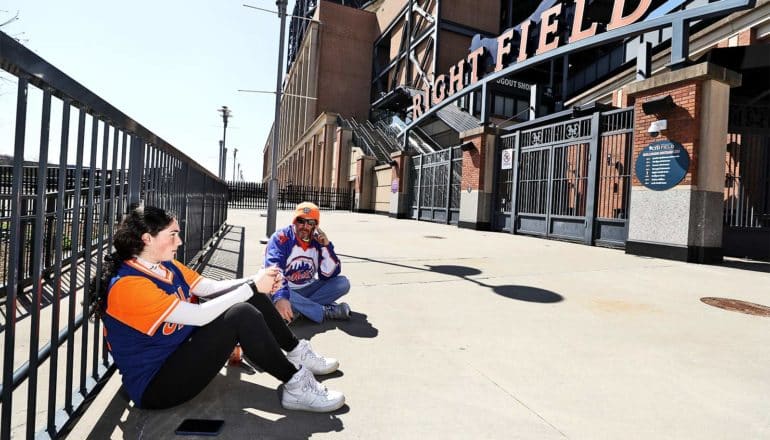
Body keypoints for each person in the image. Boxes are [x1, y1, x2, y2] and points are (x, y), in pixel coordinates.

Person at [89, 204, 344, 412]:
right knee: (241, 312)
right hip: (158, 386)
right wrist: (254, 286)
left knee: (250, 299)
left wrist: (257, 279)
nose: (179, 241)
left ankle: (296, 351)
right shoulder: (128, 286)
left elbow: (209, 287)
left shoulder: (163, 264)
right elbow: (199, 316)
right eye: (172, 235)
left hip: (181, 351)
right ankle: (295, 386)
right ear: (147, 239)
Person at [265, 202, 351, 324]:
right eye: (301, 221)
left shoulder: (318, 242)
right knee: (266, 290)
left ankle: (299, 310)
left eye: (310, 223)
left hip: (308, 288)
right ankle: (323, 310)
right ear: (294, 221)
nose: (305, 226)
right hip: (284, 289)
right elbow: (274, 269)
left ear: (316, 226)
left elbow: (328, 274)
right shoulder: (281, 237)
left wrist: (326, 246)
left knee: (343, 283)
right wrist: (281, 297)